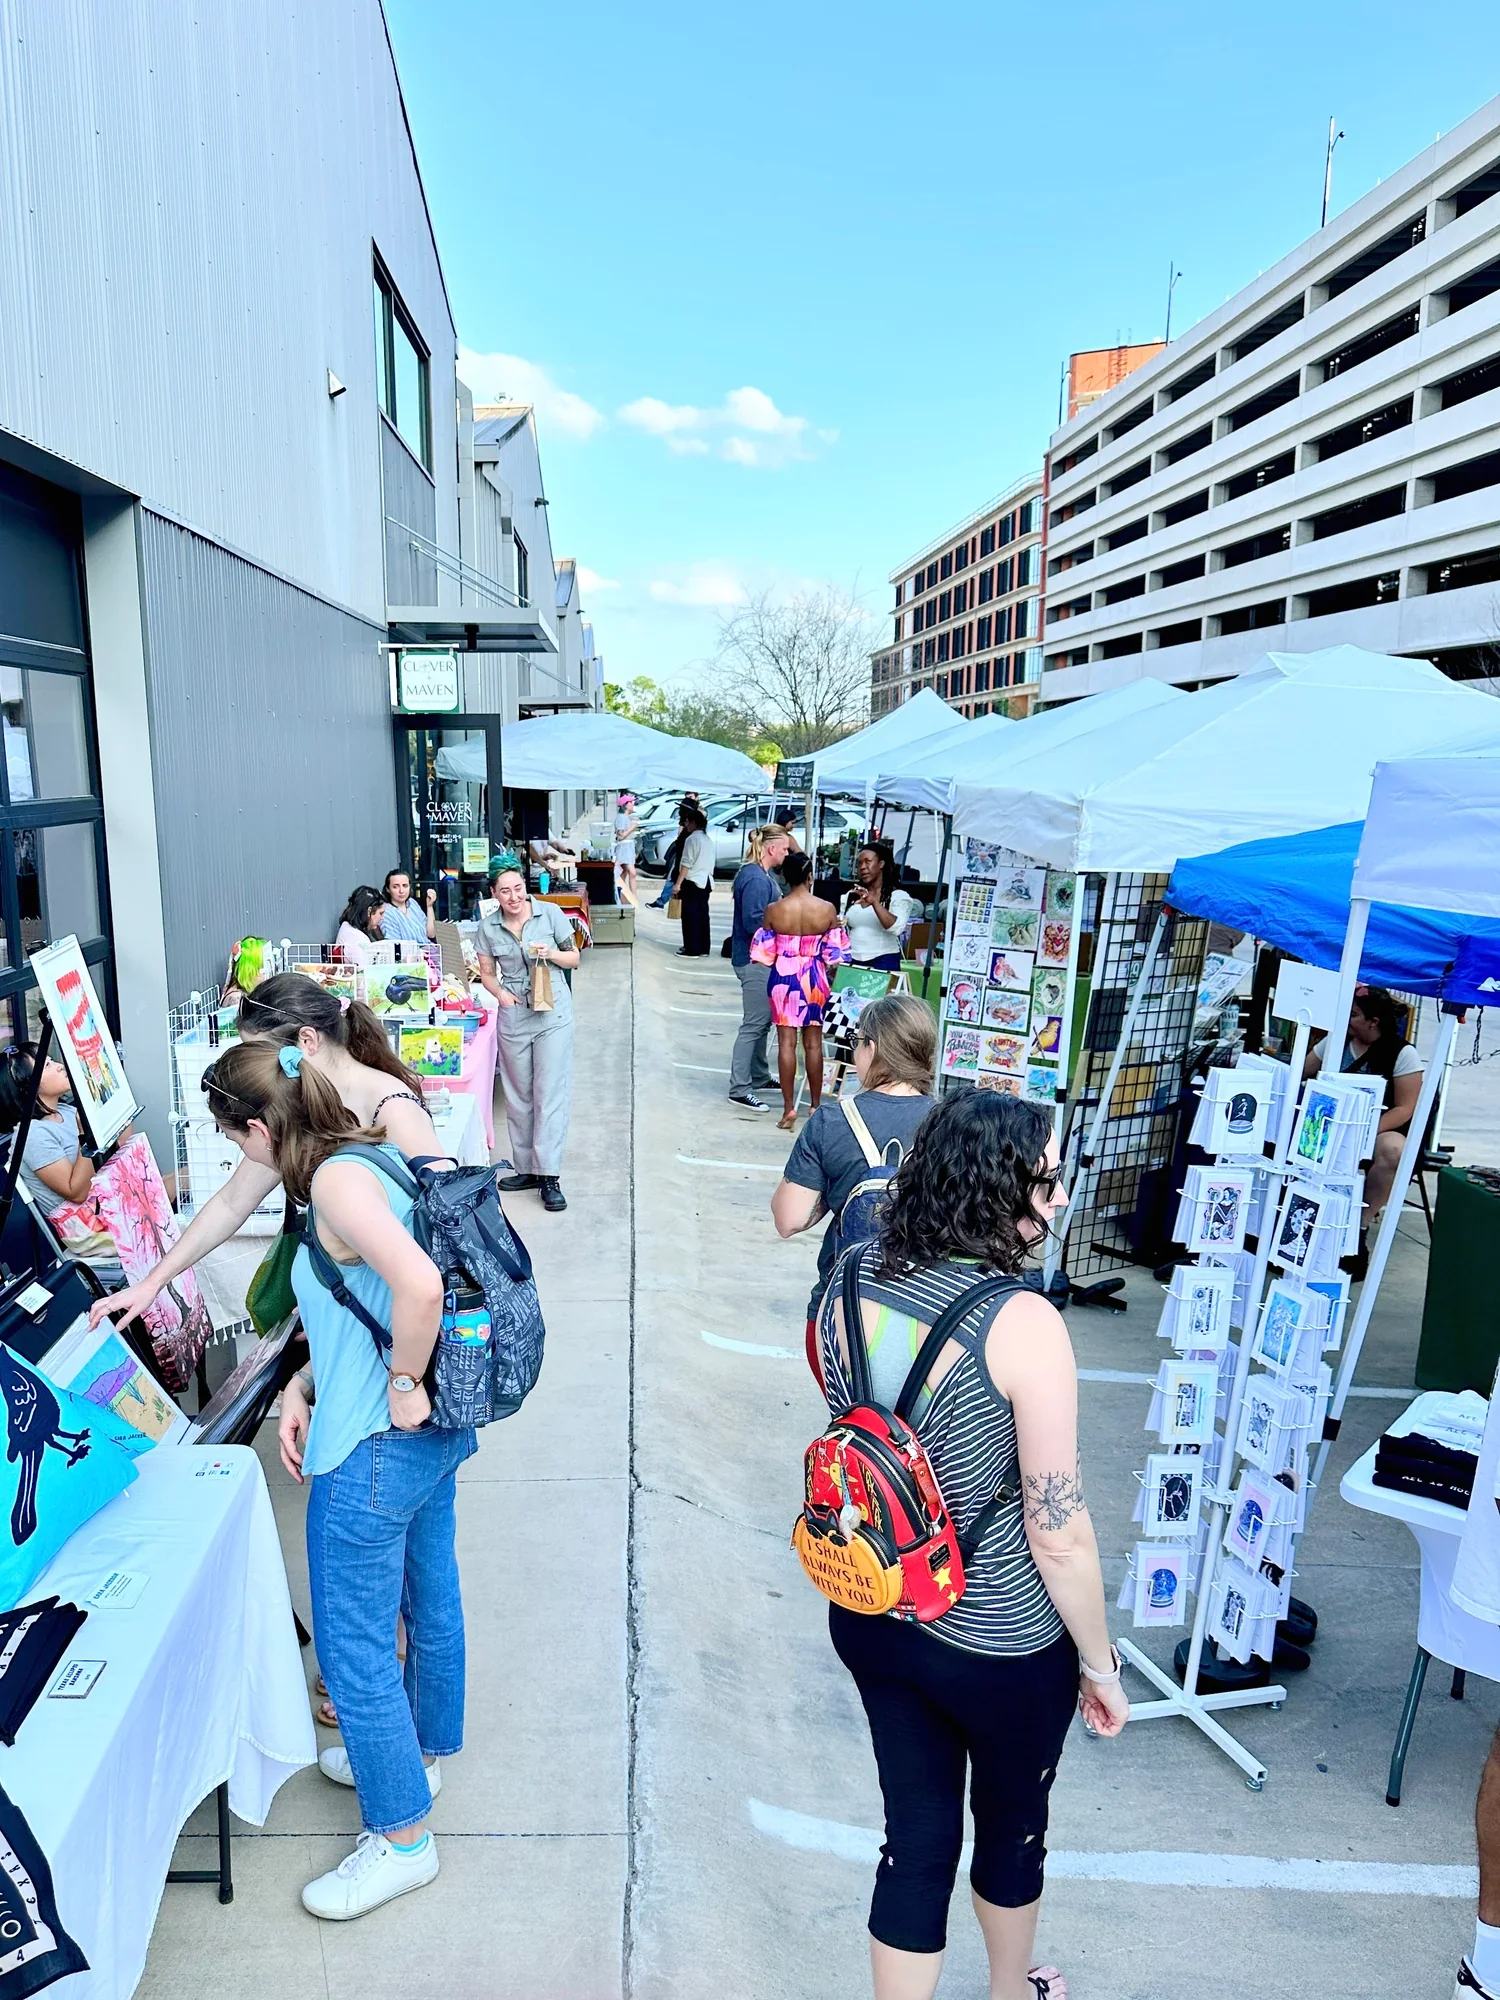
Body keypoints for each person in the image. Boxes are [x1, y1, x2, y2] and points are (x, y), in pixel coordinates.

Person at [817, 1091, 1127, 2000]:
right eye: (1049, 1179)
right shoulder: (1022, 1323)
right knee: (1011, 1828)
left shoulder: (850, 1274)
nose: (1061, 1198)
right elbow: (1059, 1531)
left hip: (872, 1604)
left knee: (913, 1837)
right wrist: (1101, 1665)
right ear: (1000, 1187)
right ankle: (1009, 1989)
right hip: (998, 1637)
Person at [201, 1040, 467, 1922]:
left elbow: (420, 1288)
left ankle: (401, 1838)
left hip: (376, 1446)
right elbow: (368, 1309)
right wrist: (306, 1386)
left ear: (256, 1127)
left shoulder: (334, 1183)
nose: (242, 1161)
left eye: (237, 1144)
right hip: (421, 1437)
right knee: (431, 1598)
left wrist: (397, 1389)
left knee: (353, 1648)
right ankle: (416, 1756)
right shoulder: (368, 1150)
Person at [771, 992, 936, 1371]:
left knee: (856, 1422)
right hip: (930, 1310)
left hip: (844, 1306)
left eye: (857, 1042)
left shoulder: (832, 1122)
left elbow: (787, 1219)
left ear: (873, 1048)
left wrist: (833, 1197)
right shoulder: (954, 1122)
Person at [476, 860, 580, 1212]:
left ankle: (549, 1175)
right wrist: (499, 993)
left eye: (518, 888)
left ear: (526, 887)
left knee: (548, 1093)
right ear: (494, 895)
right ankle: (527, 1169)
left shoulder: (550, 914)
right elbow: (486, 972)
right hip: (514, 1012)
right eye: (505, 891)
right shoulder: (487, 928)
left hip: (553, 1013)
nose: (513, 896)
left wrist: (550, 953)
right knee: (519, 1094)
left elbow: (575, 957)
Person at [1306, 985, 1424, 1267]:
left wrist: (1365, 1131)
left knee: (1394, 1150)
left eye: (1354, 1014)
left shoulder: (1403, 1054)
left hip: (1376, 1130)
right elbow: (1302, 1070)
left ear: (1374, 1022)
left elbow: (1405, 1108)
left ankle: (1359, 1223)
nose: (1347, 1019)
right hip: (1327, 1123)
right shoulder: (1334, 1042)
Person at [0, 1047, 126, 1286]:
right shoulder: (32, 1134)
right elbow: (76, 1193)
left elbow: (123, 1143)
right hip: (89, 1227)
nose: (59, 1065)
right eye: (46, 1065)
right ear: (26, 1086)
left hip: (111, 1202)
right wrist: (85, 1136)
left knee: (192, 1178)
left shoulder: (66, 1111)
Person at [750, 852, 851, 1130]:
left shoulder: (774, 910)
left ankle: (787, 1108)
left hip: (783, 976)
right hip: (815, 978)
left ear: (785, 877)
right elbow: (835, 955)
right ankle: (815, 1104)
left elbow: (763, 954)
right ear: (810, 876)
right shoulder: (827, 909)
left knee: (785, 1043)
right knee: (814, 1043)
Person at [728, 824, 792, 1110]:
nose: (788, 853)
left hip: (758, 958)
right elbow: (754, 921)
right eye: (785, 848)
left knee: (762, 1021)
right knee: (754, 1024)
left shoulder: (757, 875)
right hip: (755, 960)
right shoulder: (756, 878)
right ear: (771, 849)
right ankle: (739, 1088)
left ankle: (759, 1074)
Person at [843, 843, 920, 974]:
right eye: (859, 863)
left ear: (881, 864)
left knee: (881, 995)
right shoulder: (851, 896)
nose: (862, 867)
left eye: (868, 862)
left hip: (883, 960)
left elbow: (896, 928)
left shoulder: (898, 896)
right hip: (852, 959)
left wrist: (874, 902)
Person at [673, 804, 714, 958]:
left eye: (688, 822)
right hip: (707, 880)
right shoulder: (707, 839)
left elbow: (686, 863)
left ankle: (692, 949)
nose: (686, 825)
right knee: (703, 914)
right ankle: (704, 947)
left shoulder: (692, 839)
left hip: (693, 880)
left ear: (694, 823)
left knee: (690, 916)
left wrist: (678, 883)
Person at [648, 794, 700, 909]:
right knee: (673, 878)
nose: (680, 811)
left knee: (675, 878)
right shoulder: (685, 823)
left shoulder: (691, 826)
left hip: (684, 857)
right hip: (680, 855)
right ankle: (663, 901)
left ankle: (662, 902)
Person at [381, 869, 437, 946]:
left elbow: (431, 934)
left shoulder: (412, 903)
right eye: (395, 887)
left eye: (405, 886)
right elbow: (395, 947)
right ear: (387, 889)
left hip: (430, 952)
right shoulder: (386, 912)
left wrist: (429, 906)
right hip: (410, 956)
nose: (401, 891)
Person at [336, 886, 387, 967]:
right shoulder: (356, 938)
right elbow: (366, 971)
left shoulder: (348, 927)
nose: (382, 917)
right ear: (369, 911)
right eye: (380, 913)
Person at [613, 794, 640, 909]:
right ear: (625, 805)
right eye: (631, 802)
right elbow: (621, 836)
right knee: (631, 872)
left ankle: (624, 898)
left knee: (623, 874)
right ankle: (632, 898)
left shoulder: (626, 817)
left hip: (629, 848)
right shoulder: (620, 818)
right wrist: (632, 828)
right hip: (623, 849)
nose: (633, 804)